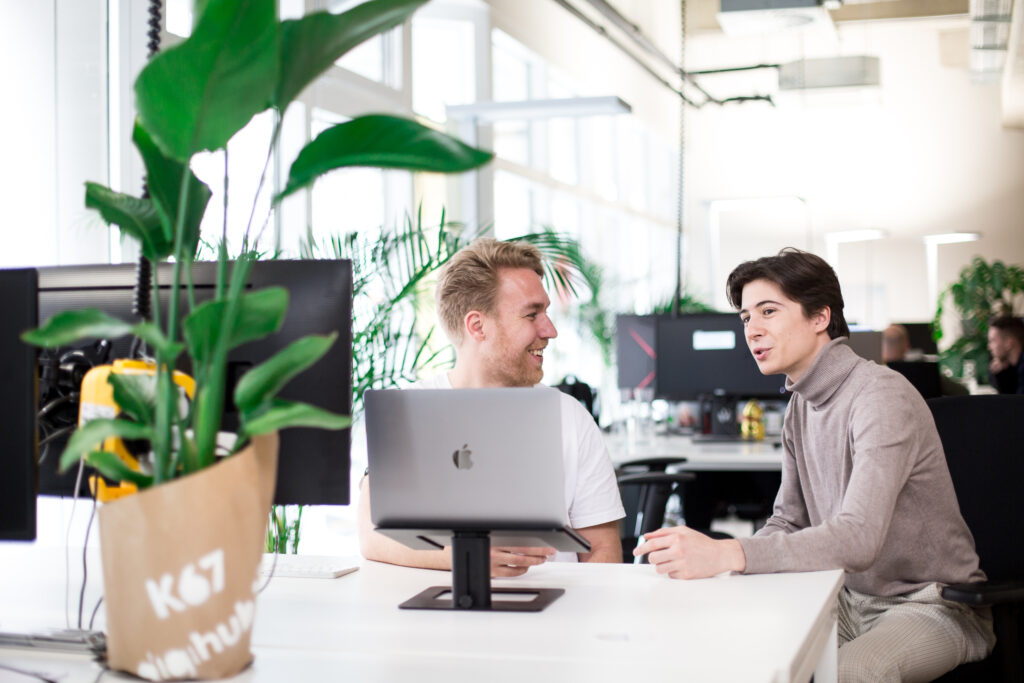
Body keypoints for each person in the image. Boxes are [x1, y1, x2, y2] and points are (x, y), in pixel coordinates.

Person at [634, 248, 994, 682]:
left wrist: (729, 551)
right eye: (747, 317)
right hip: (842, 597)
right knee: (731, 648)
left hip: (930, 603)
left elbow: (858, 538)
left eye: (769, 311)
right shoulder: (800, 406)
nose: (753, 330)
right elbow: (787, 520)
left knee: (849, 673)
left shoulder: (879, 395)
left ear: (820, 316)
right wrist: (724, 569)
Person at [358, 238, 624, 576]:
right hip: (436, 615)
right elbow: (371, 535)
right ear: (477, 326)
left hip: (552, 617)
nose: (550, 330)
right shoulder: (408, 412)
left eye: (547, 313)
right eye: (532, 314)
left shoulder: (570, 417)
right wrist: (469, 558)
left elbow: (602, 552)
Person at [987, 315, 1024, 394]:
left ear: (1008, 343)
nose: (989, 347)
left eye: (992, 341)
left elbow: (1018, 404)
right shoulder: (1014, 367)